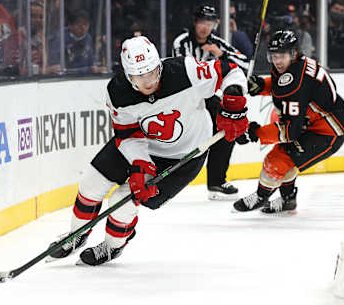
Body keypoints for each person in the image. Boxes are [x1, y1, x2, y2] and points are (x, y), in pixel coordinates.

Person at [47, 36, 248, 265]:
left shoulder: (185, 70)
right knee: (91, 183)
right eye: (139, 76)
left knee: (122, 200)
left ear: (159, 65)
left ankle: (113, 246)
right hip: (141, 145)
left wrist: (235, 100)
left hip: (182, 157)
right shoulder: (118, 91)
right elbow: (127, 133)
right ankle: (76, 234)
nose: (148, 81)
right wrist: (141, 164)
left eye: (152, 72)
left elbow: (232, 70)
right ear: (127, 74)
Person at [233, 30, 344, 214]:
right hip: (321, 120)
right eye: (274, 56)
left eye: (282, 56)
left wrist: (255, 133)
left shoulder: (294, 82)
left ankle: (260, 196)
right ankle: (288, 200)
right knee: (287, 155)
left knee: (279, 158)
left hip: (328, 132)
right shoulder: (297, 66)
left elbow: (290, 131)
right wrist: (262, 86)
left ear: (293, 53)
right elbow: (287, 84)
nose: (277, 61)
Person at [172, 5, 249, 200]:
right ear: (194, 22)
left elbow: (245, 64)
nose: (205, 27)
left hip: (211, 99)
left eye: (210, 23)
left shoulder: (218, 43)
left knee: (227, 128)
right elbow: (181, 72)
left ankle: (216, 182)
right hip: (186, 98)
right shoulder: (182, 43)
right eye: (202, 22)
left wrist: (221, 55)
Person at [48, 9, 94, 74]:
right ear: (70, 25)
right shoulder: (59, 38)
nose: (83, 27)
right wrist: (89, 70)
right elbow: (58, 69)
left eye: (85, 24)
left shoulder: (88, 38)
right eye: (79, 24)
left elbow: (90, 63)